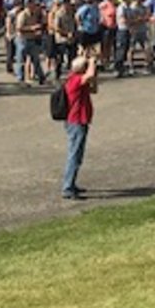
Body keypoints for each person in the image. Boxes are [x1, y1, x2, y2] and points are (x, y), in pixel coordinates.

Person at [61, 55, 97, 200]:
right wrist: (92, 63)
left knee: (78, 155)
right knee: (74, 154)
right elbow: (90, 75)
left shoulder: (79, 80)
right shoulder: (74, 79)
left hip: (81, 120)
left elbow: (94, 89)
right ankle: (67, 187)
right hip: (75, 121)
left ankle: (71, 183)